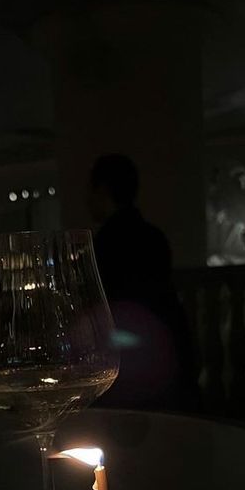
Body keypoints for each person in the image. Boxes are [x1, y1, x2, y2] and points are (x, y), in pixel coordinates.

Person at [88, 154, 199, 411]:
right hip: (167, 350)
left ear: (102, 190)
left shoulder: (105, 244)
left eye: (90, 191)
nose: (87, 200)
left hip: (128, 365)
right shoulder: (153, 236)